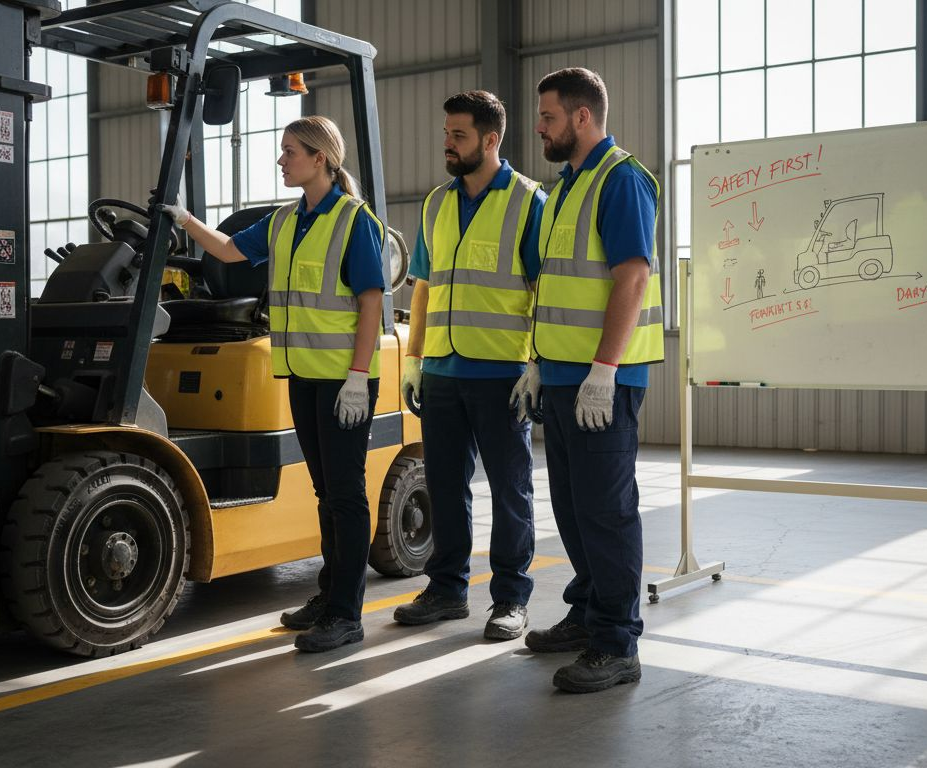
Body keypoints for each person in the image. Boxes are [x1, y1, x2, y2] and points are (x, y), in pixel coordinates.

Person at [159, 116, 386, 653]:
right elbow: (231, 251)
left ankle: (347, 614)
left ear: (321, 159)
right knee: (325, 494)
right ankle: (329, 596)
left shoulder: (353, 220)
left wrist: (358, 375)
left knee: (347, 496)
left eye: (289, 151)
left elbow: (372, 299)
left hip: (342, 382)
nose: (281, 160)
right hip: (303, 375)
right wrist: (185, 220)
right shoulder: (286, 221)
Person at [515, 67, 663, 693]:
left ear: (581, 117)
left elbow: (632, 277)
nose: (540, 128)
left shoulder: (620, 180)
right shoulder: (567, 187)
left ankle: (617, 643)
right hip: (563, 377)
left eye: (548, 117)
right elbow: (553, 289)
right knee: (575, 512)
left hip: (604, 381)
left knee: (606, 513)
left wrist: (604, 369)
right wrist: (537, 363)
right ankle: (587, 613)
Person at [393, 91, 546, 640]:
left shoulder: (529, 201)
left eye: (459, 136)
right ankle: (447, 588)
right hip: (441, 373)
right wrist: (413, 358)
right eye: (446, 135)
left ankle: (510, 597)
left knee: (511, 489)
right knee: (444, 484)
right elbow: (424, 287)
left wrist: (536, 363)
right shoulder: (436, 203)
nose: (448, 145)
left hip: (502, 373)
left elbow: (543, 289)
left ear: (491, 139)